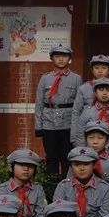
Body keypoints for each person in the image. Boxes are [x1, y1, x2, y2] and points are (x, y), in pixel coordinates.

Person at [46, 147, 109, 217]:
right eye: (76, 164)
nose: (81, 168)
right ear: (71, 166)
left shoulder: (104, 188)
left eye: (86, 164)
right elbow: (58, 216)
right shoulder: (63, 186)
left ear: (94, 165)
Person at [35, 44, 82, 176]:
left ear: (69, 59)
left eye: (64, 56)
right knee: (51, 157)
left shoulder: (76, 78)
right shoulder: (45, 78)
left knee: (67, 157)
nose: (61, 59)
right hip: (49, 122)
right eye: (57, 56)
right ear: (52, 58)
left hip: (68, 123)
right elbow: (39, 103)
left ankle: (66, 184)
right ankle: (51, 187)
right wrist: (38, 126)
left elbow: (79, 105)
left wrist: (77, 127)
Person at [0, 149, 47, 217]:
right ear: (12, 167)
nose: (26, 169)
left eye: (30, 166)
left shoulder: (38, 189)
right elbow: (4, 216)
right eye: (22, 165)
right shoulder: (1, 190)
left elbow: (42, 214)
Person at [70, 55, 109, 127]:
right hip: (88, 127)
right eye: (96, 68)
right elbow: (76, 112)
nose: (100, 71)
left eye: (104, 68)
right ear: (91, 69)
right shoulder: (83, 88)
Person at [82, 120, 109, 190]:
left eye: (100, 138)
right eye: (91, 137)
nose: (95, 142)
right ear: (86, 139)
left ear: (107, 141)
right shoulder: (78, 161)